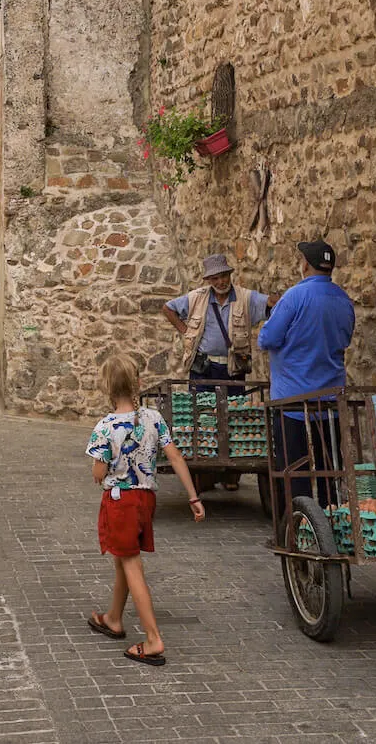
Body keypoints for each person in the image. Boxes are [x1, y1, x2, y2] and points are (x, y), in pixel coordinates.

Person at [85, 354, 205, 667]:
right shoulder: (153, 418)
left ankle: (153, 639)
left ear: (107, 388)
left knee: (131, 565)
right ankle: (113, 618)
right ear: (137, 383)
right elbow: (175, 457)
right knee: (123, 559)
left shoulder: (105, 427)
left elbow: (98, 472)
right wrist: (193, 497)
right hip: (145, 500)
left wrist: (105, 468)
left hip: (120, 502)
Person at [258, 240, 355, 511]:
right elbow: (345, 339)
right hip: (329, 398)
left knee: (293, 468)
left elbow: (268, 338)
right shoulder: (343, 300)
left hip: (292, 398)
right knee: (329, 467)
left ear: (305, 265)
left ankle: (297, 521)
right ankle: (331, 517)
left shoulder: (294, 297)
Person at [162, 253, 271, 489]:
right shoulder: (197, 297)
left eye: (223, 276)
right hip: (204, 368)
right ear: (209, 280)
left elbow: (273, 304)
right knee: (203, 417)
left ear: (229, 275)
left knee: (233, 417)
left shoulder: (245, 297)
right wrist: (185, 331)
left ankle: (231, 475)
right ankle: (205, 472)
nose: (220, 282)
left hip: (232, 367)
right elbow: (168, 308)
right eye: (215, 278)